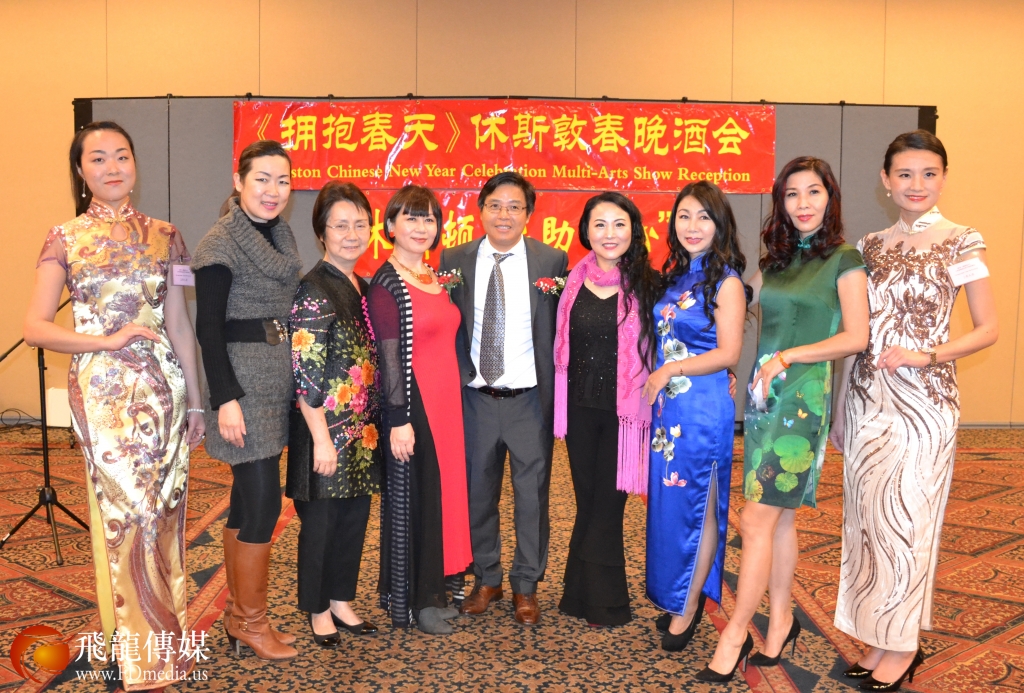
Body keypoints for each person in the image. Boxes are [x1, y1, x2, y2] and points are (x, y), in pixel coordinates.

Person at [24, 121, 204, 689]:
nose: (112, 167)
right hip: (104, 394)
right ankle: (141, 655)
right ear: (81, 172)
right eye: (97, 158)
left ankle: (162, 646)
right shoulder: (64, 238)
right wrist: (105, 340)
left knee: (166, 512)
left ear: (134, 164)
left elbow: (179, 325)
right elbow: (35, 328)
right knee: (128, 515)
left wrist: (197, 403)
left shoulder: (167, 235)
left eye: (121, 155)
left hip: (165, 393)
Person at [832, 131, 997, 692]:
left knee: (907, 524)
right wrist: (841, 408)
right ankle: (880, 635)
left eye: (929, 173)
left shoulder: (962, 242)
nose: (917, 185)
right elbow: (854, 332)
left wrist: (927, 354)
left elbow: (988, 329)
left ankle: (903, 645)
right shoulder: (868, 246)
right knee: (867, 526)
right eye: (905, 174)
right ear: (886, 180)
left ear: (943, 178)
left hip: (925, 405)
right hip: (865, 402)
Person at [699, 157, 869, 682]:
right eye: (792, 194)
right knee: (780, 519)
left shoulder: (845, 259)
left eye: (813, 192)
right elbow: (736, 303)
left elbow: (856, 337)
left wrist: (789, 357)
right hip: (763, 399)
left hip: (802, 400)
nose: (802, 203)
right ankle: (781, 622)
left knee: (755, 520)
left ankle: (736, 633)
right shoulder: (775, 260)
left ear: (830, 197)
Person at [438, 171, 568, 625]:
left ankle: (526, 585)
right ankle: (487, 577)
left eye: (514, 206)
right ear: (481, 210)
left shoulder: (551, 261)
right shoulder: (453, 259)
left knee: (532, 498)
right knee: (477, 495)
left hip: (529, 401)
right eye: (495, 205)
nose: (504, 214)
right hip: (475, 398)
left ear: (528, 214)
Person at [192, 140, 302, 660]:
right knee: (262, 501)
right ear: (238, 182)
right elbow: (208, 329)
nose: (272, 190)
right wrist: (226, 399)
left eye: (283, 181)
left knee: (245, 500)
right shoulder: (220, 242)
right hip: (241, 384)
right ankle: (252, 623)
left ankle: (240, 617)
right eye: (262, 179)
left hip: (275, 378)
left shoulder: (280, 235)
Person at [641, 181, 748, 651]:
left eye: (704, 216)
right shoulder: (677, 276)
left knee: (700, 509)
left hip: (702, 411)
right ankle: (679, 594)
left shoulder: (727, 282)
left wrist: (671, 369)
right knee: (672, 508)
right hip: (671, 413)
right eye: (684, 216)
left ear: (719, 224)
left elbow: (729, 352)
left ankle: (688, 607)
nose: (692, 226)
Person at [367, 185, 473, 635]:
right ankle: (418, 600)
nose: (420, 226)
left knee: (443, 497)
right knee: (418, 501)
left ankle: (438, 589)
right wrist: (398, 421)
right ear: (390, 225)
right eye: (410, 217)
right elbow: (388, 357)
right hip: (415, 406)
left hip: (448, 406)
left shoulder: (433, 275)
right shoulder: (387, 283)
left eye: (428, 218)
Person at [552, 192, 659, 626]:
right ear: (586, 231)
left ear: (633, 230)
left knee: (607, 508)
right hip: (579, 410)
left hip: (624, 415)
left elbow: (679, 337)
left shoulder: (650, 285)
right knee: (587, 502)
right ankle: (578, 595)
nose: (609, 233)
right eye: (600, 224)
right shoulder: (571, 282)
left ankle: (607, 602)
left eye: (619, 224)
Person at [287, 182, 382, 647]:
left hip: (360, 433)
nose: (352, 234)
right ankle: (318, 608)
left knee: (353, 520)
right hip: (323, 430)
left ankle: (342, 600)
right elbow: (304, 372)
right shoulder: (314, 288)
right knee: (321, 525)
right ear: (322, 233)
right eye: (340, 225)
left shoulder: (361, 285)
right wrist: (322, 439)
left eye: (360, 224)